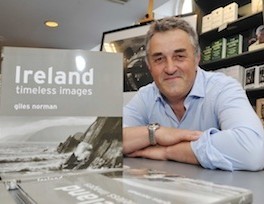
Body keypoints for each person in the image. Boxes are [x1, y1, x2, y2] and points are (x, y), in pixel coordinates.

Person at [122, 16, 264, 171]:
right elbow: (103, 139)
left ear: (197, 58)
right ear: (149, 66)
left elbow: (254, 150)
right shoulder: (145, 96)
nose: (170, 68)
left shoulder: (223, 88)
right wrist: (156, 133)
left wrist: (167, 151)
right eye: (159, 59)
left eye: (180, 56)